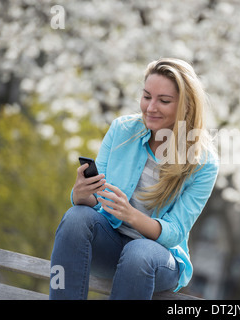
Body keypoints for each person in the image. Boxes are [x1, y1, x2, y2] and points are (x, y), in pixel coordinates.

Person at [49, 58, 219, 300]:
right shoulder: (121, 130)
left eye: (164, 101)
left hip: (157, 258)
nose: (151, 107)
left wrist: (131, 215)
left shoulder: (203, 163)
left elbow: (174, 232)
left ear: (186, 106)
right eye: (147, 96)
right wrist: (81, 195)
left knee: (139, 252)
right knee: (76, 217)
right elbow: (98, 202)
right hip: (111, 244)